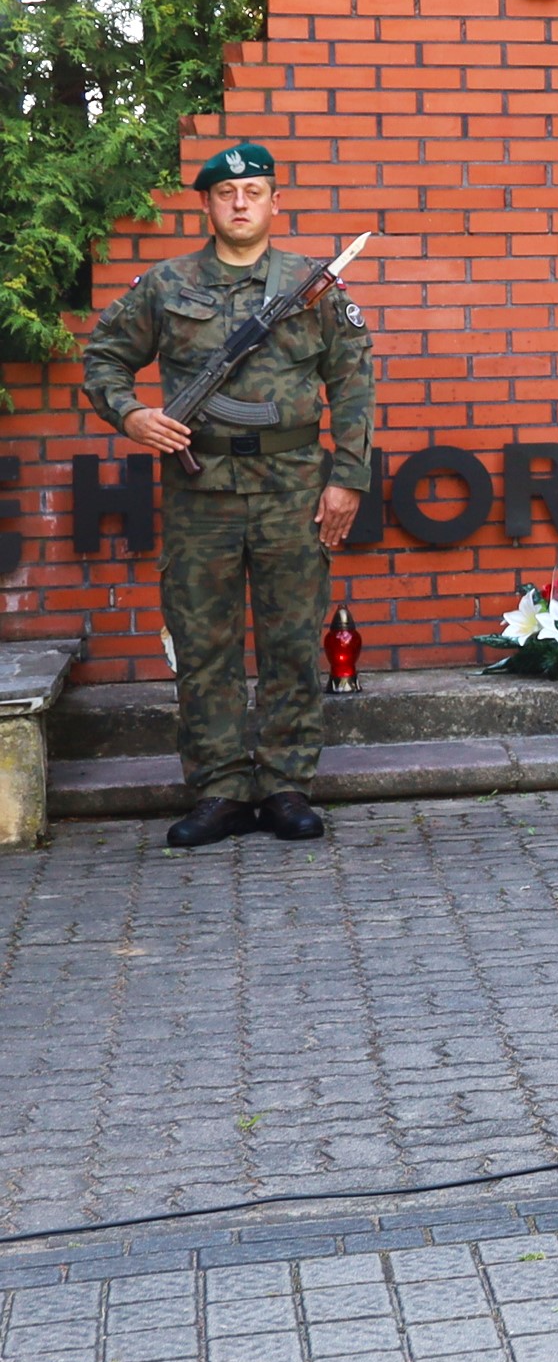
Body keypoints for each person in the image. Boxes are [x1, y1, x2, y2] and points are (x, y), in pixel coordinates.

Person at [80, 140, 373, 850]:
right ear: (207, 204)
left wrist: (349, 478)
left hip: (294, 487)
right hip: (198, 489)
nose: (240, 204)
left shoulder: (312, 287)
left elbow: (354, 382)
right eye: (226, 194)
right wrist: (132, 414)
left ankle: (285, 785)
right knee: (204, 643)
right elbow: (103, 358)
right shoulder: (168, 285)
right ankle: (217, 788)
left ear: (274, 201)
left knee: (293, 641)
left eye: (255, 192)